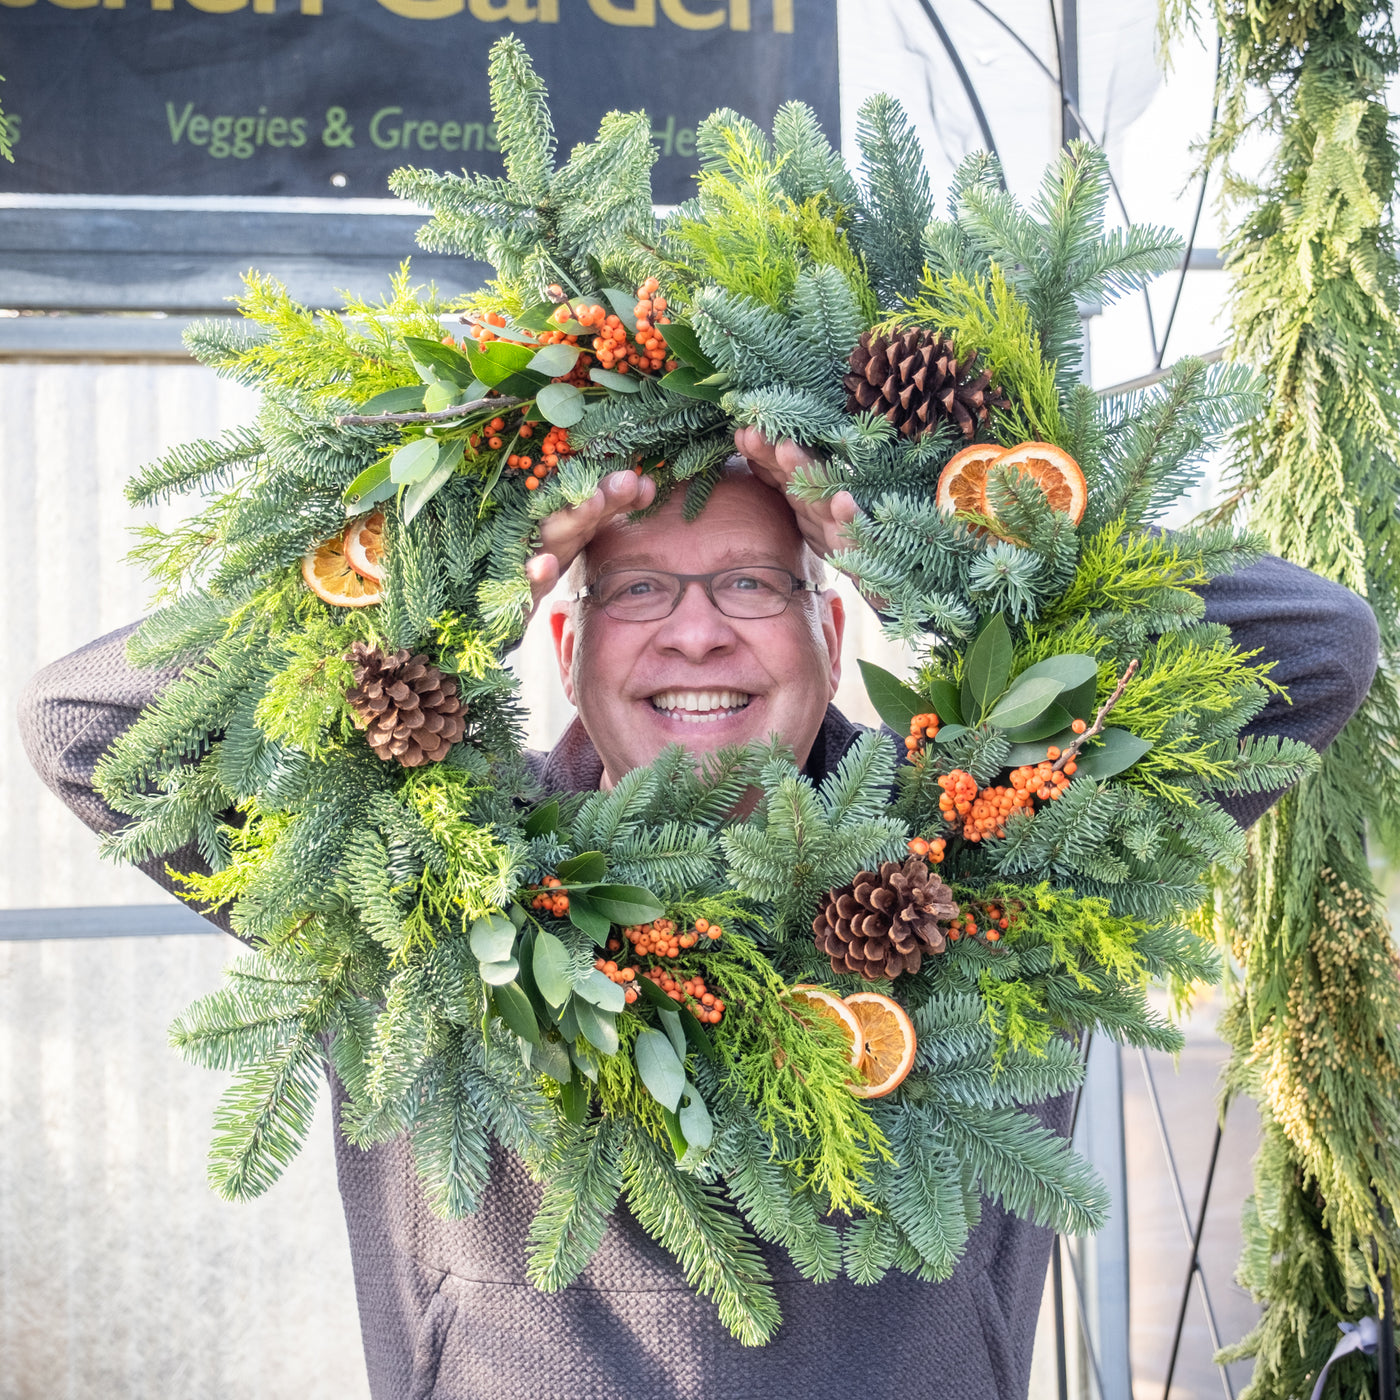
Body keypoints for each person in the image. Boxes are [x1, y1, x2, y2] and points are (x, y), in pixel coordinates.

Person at [18, 431, 1379, 1400]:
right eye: (638, 593)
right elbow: (89, 724)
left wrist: (945, 526)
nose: (697, 632)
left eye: (748, 583)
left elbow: (1313, 648)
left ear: (834, 632)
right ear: (557, 637)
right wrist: (447, 551)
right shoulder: (409, 874)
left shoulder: (999, 851)